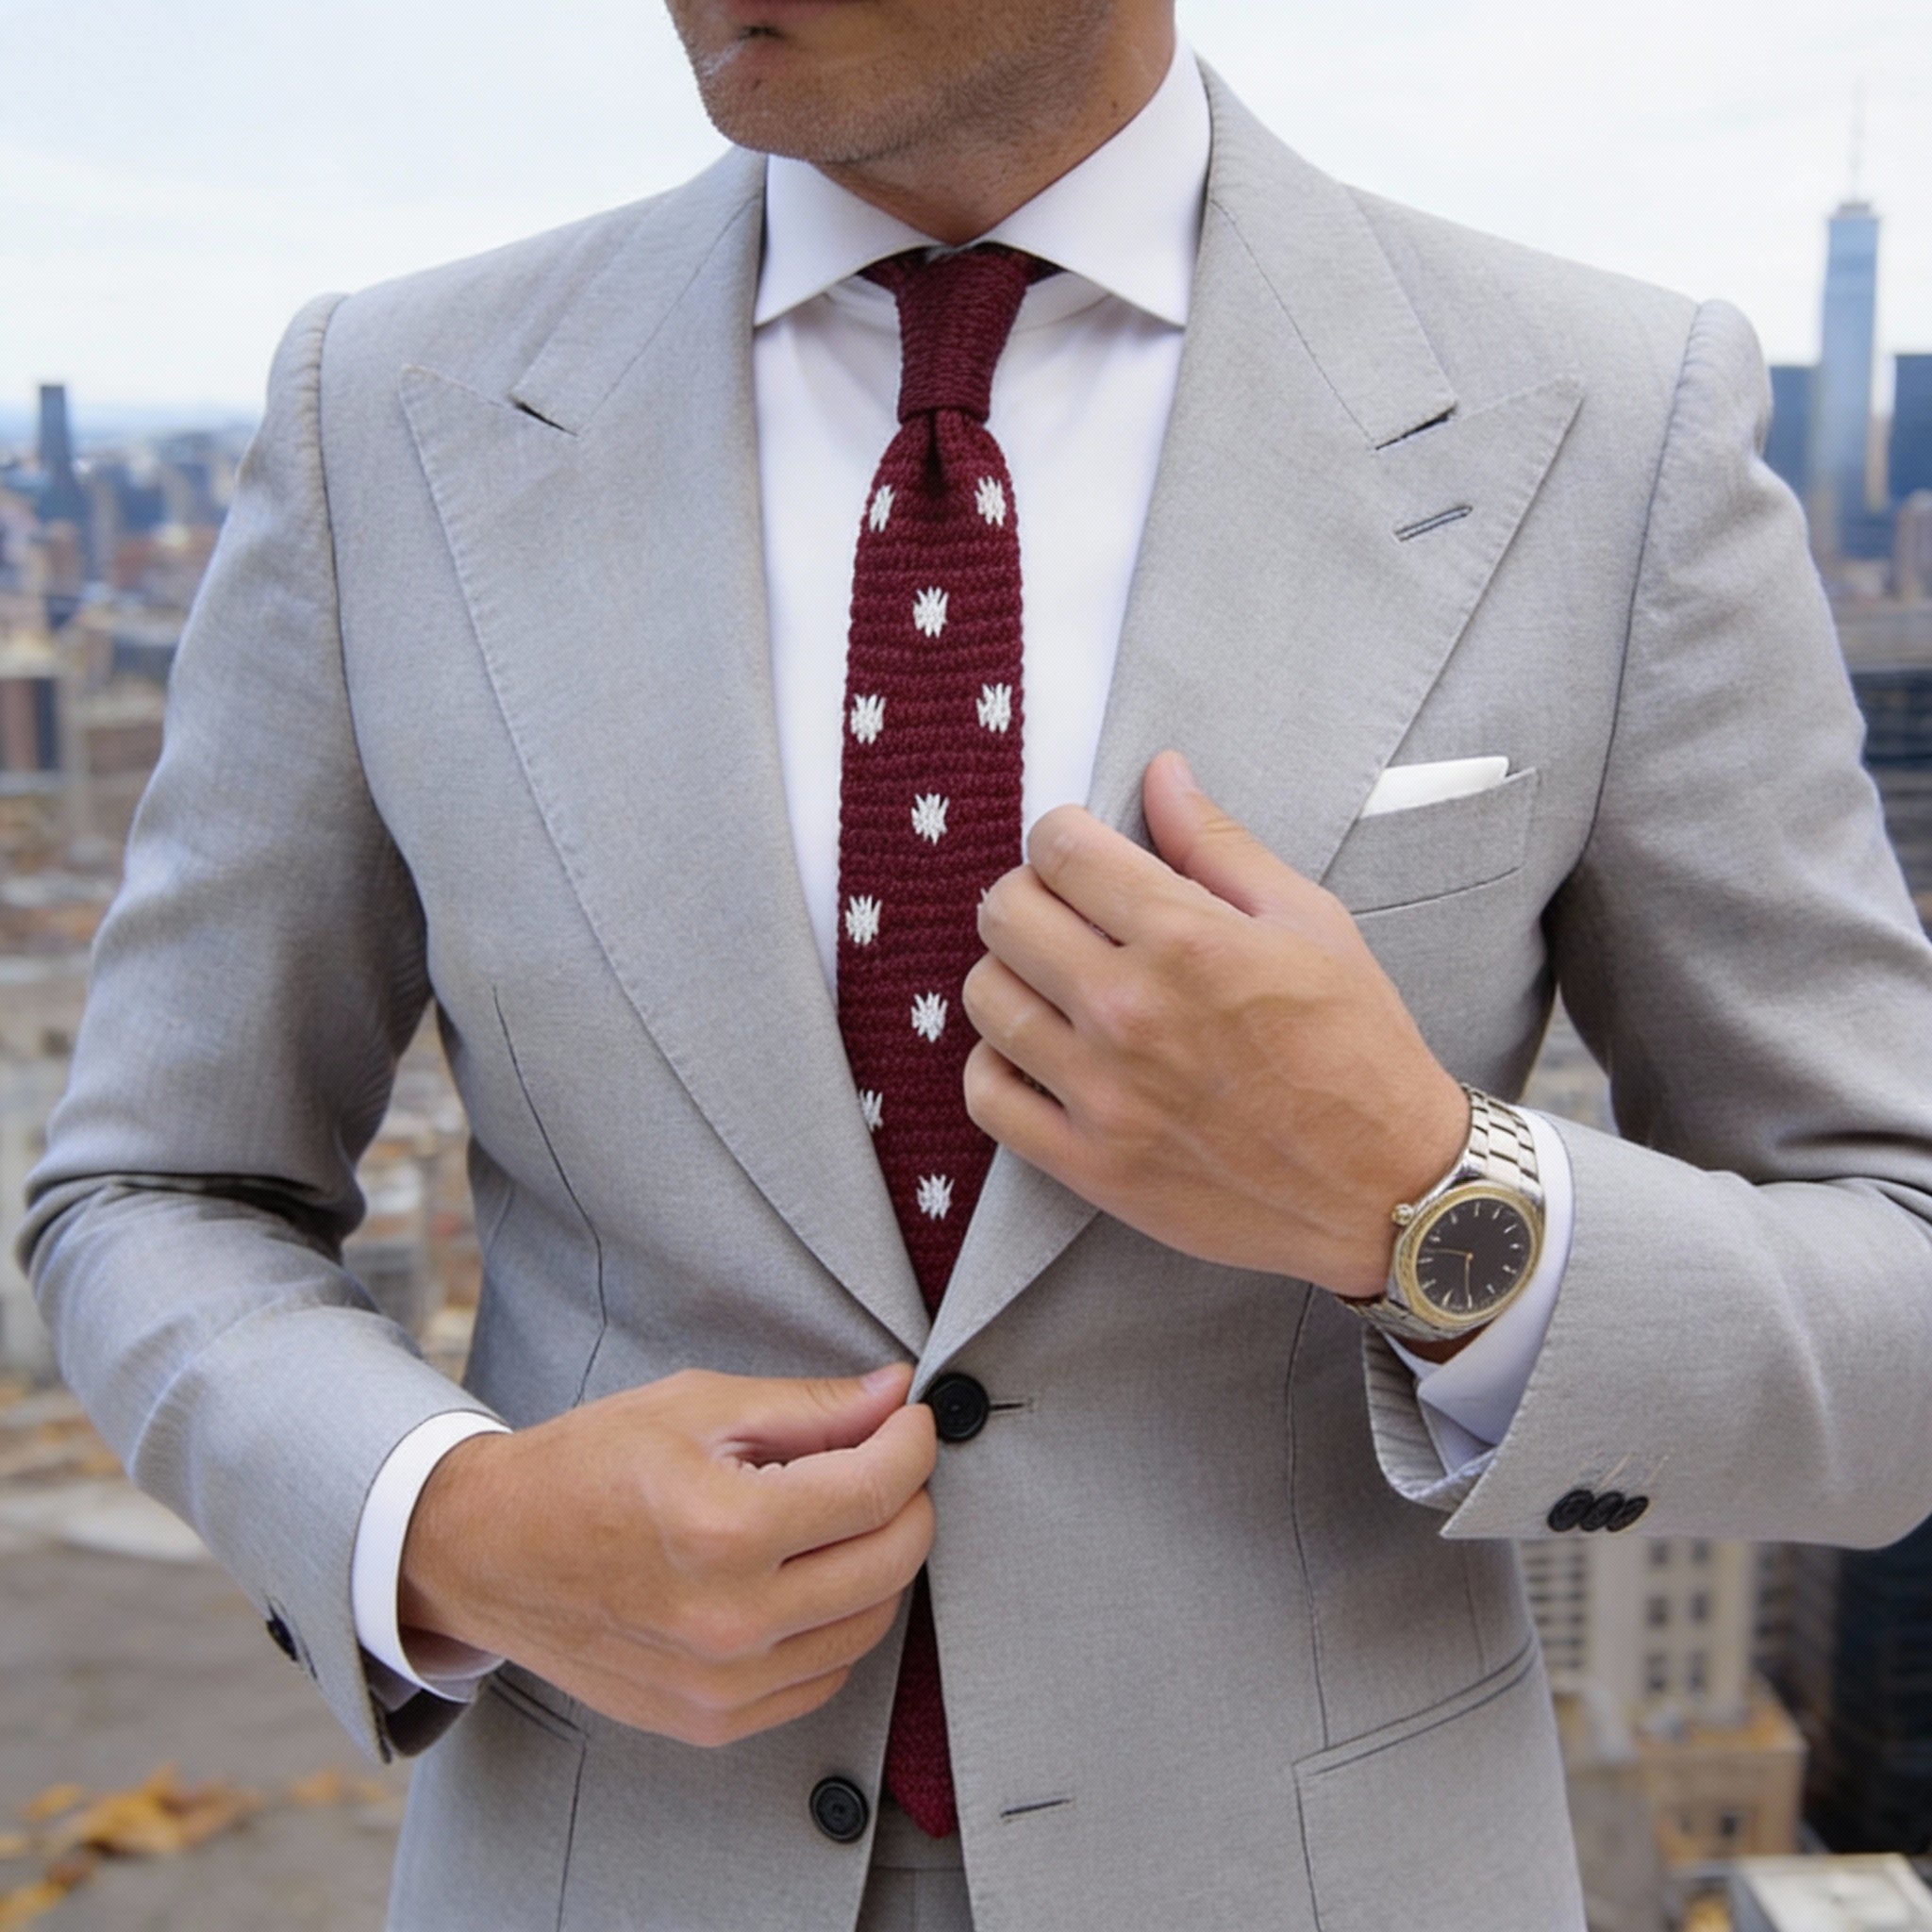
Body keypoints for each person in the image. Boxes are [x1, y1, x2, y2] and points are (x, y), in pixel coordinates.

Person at [22, 0, 1932, 1925]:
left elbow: (1902, 1298)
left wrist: (1424, 1198)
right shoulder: (383, 411)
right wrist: (452, 1523)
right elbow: (152, 1187)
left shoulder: (1605, 419)